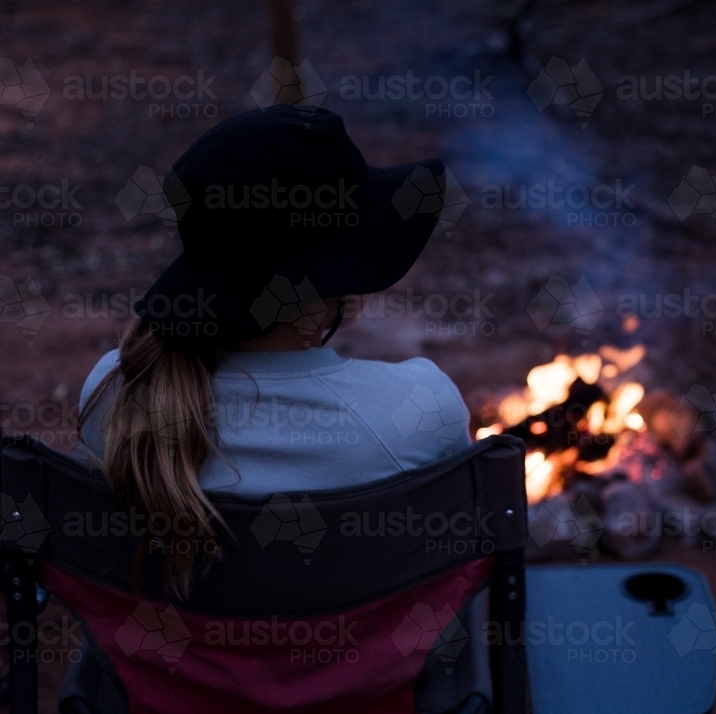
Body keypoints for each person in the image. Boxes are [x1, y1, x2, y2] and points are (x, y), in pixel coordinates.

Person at [79, 105, 470, 596]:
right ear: (334, 272)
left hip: (159, 671)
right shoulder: (419, 412)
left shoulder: (115, 393)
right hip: (366, 673)